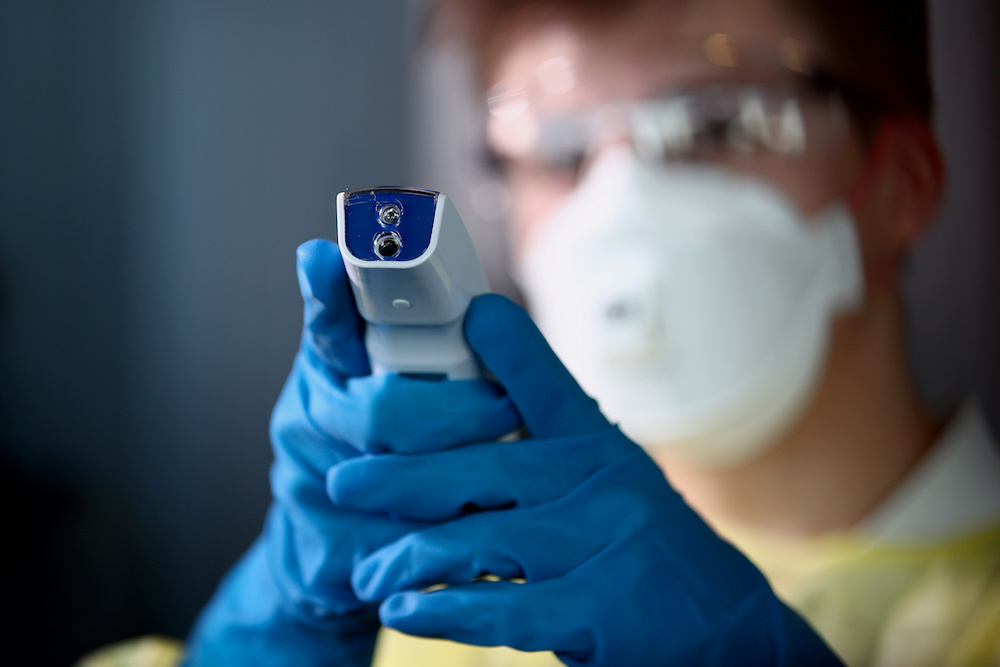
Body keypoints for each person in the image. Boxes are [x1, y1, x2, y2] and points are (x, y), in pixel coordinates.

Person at [80, 0, 1000, 665]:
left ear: (901, 188)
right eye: (558, 153)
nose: (622, 204)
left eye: (719, 125)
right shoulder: (427, 594)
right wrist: (256, 639)